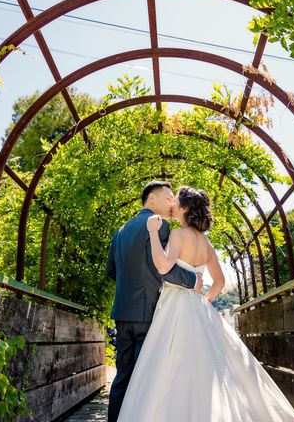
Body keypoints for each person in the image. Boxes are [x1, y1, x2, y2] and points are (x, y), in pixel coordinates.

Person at [117, 186, 294, 421]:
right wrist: (203, 301)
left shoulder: (177, 234)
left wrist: (153, 233)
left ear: (185, 209)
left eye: (176, 202)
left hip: (174, 305)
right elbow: (220, 281)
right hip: (197, 307)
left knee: (169, 364)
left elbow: (163, 267)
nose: (172, 204)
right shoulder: (206, 244)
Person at [106, 181, 203, 422]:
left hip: (122, 313)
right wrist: (192, 279)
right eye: (168, 197)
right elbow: (164, 268)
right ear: (152, 199)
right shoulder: (160, 226)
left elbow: (111, 271)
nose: (172, 203)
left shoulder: (120, 230)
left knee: (123, 376)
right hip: (148, 311)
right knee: (145, 379)